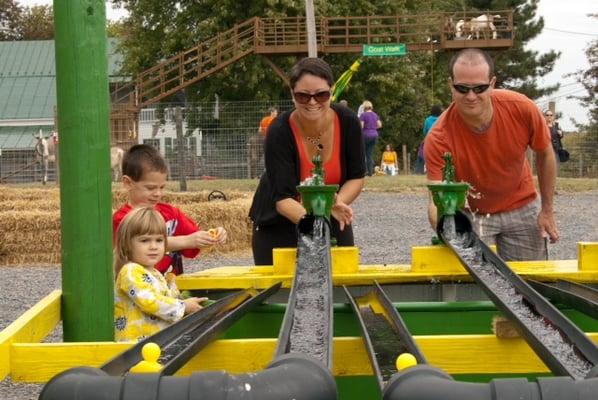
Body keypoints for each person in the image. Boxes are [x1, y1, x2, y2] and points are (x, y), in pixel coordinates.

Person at [424, 48, 559, 261]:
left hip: (522, 205)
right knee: (471, 286)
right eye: (462, 88)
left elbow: (545, 153)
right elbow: (436, 197)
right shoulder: (438, 136)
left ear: (492, 84)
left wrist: (547, 210)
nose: (471, 96)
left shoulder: (522, 108)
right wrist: (445, 227)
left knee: (531, 284)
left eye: (479, 88)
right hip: (471, 212)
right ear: (451, 85)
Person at [249, 57, 366, 265]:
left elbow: (356, 177)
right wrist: (316, 221)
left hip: (331, 212)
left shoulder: (348, 122)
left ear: (332, 91)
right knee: (282, 293)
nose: (313, 102)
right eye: (303, 96)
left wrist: (334, 204)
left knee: (341, 284)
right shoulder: (278, 131)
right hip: (279, 222)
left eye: (321, 95)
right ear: (292, 95)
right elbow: (283, 200)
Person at [113, 144, 227, 276]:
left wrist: (210, 236)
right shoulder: (122, 219)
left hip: (170, 290)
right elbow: (130, 246)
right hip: (138, 290)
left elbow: (193, 238)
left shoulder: (170, 214)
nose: (158, 194)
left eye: (162, 187)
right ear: (128, 183)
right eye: (150, 188)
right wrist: (187, 240)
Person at [113, 206, 208, 342]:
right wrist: (183, 306)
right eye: (145, 241)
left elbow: (166, 299)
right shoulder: (130, 271)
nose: (153, 246)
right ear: (127, 244)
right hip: (134, 348)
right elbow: (150, 301)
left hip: (153, 346)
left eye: (159, 240)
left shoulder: (156, 273)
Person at [415, 105, 442, 174]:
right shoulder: (442, 119)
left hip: (429, 141)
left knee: (420, 154)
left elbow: (425, 131)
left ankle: (419, 171)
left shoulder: (427, 120)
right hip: (440, 141)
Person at [359, 100, 382, 176]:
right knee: (369, 154)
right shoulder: (375, 115)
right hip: (374, 135)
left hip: (365, 135)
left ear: (364, 107)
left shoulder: (363, 115)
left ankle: (363, 171)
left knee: (363, 154)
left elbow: (361, 126)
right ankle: (370, 172)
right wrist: (372, 128)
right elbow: (379, 125)